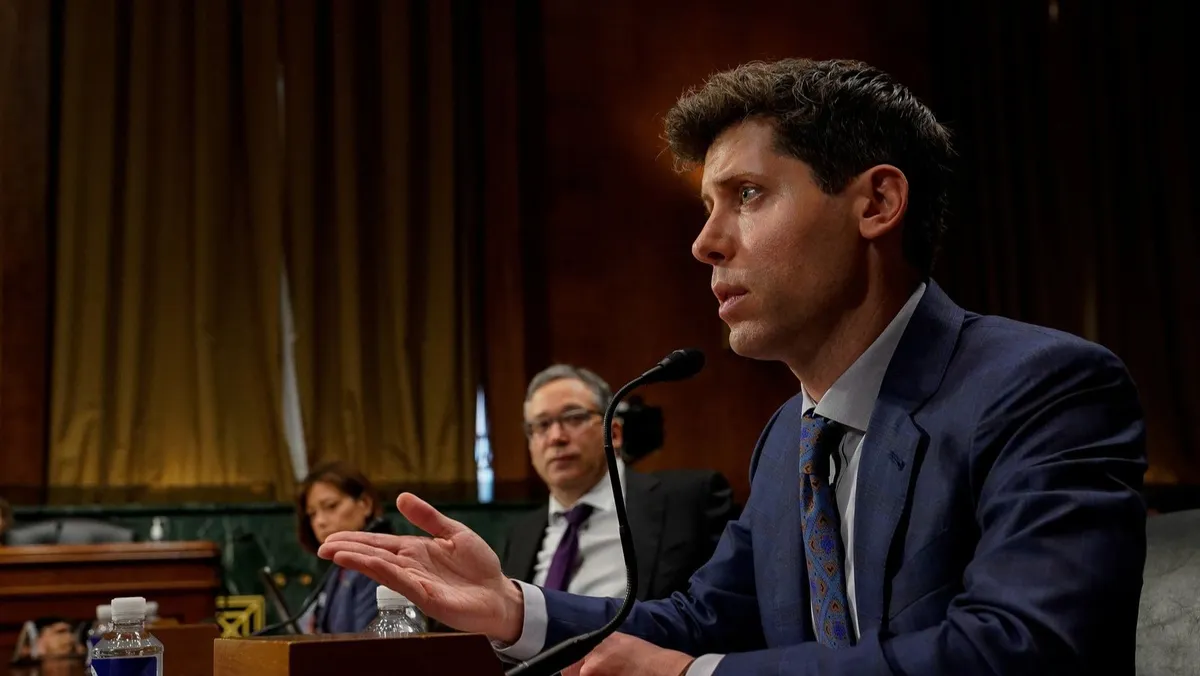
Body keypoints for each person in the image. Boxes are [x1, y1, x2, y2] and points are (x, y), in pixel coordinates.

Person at [316, 58, 1147, 675]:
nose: (706, 243)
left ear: (876, 203)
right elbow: (703, 618)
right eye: (708, 206)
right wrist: (514, 608)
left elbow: (1025, 649)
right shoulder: (789, 434)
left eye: (746, 195)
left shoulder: (1043, 388)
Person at [498, 364, 736, 601]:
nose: (556, 437)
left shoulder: (689, 502)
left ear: (613, 433)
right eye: (542, 425)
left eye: (574, 418)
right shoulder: (519, 536)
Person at [294, 460, 391, 634]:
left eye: (331, 506)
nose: (319, 521)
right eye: (312, 514)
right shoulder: (340, 567)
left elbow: (369, 643)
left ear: (365, 504)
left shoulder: (379, 564)